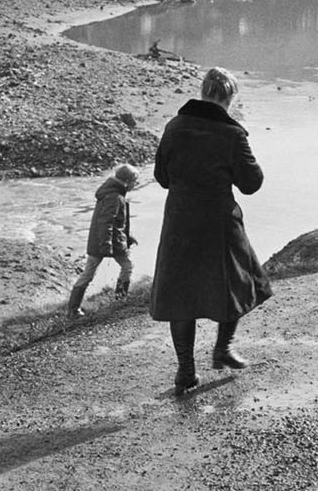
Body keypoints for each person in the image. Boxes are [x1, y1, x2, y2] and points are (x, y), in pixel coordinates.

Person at [149, 67, 270, 397]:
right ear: (230, 98)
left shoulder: (174, 127)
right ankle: (223, 349)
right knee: (238, 281)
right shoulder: (232, 134)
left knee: (180, 292)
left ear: (203, 92)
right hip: (219, 220)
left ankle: (186, 370)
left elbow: (161, 177)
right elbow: (252, 183)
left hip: (180, 219)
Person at [66, 163, 141, 318]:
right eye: (135, 181)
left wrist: (128, 237)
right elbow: (106, 222)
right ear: (127, 181)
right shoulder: (115, 197)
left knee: (89, 273)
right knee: (127, 266)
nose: (136, 184)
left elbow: (118, 222)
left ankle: (73, 309)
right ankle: (119, 300)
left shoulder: (112, 193)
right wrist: (106, 246)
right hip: (108, 242)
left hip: (103, 241)